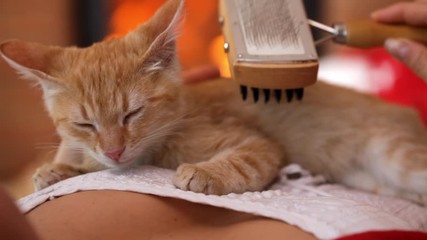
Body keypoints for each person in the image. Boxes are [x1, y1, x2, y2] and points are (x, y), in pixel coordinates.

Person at [2, 1, 427, 240]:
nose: (113, 147)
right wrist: (74, 166)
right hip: (343, 169)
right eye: (85, 127)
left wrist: (221, 172)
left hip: (360, 132)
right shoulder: (108, 135)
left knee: (402, 169)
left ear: (168, 64)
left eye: (133, 114)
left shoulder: (186, 128)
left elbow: (262, 152)